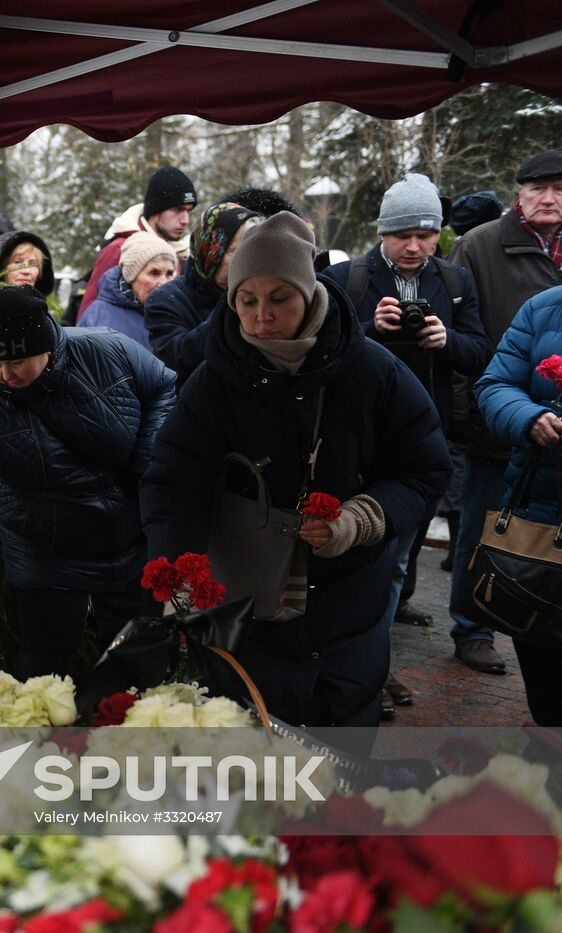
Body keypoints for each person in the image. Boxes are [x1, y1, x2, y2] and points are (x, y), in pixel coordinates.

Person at [141, 212, 450, 728]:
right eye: (247, 300)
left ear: (308, 295)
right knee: (260, 757)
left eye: (279, 298)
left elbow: (423, 467)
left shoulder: (373, 370)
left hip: (349, 600)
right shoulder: (212, 381)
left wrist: (362, 518)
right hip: (248, 600)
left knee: (342, 749)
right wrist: (179, 573)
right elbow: (172, 481)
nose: (262, 314)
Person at [0, 285, 176, 679]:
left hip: (126, 537)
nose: (6, 374)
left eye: (18, 360)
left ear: (46, 346)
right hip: (44, 550)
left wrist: (147, 464)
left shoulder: (106, 350)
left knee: (136, 662)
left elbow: (165, 386)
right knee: (43, 666)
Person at [324, 174, 491, 693]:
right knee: (350, 556)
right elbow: (321, 349)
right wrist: (371, 329)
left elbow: (482, 352)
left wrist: (447, 339)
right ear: (383, 233)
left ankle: (377, 663)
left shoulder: (456, 282)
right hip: (357, 439)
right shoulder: (348, 279)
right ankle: (349, 660)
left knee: (398, 561)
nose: (415, 246)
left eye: (426, 234)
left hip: (424, 441)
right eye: (403, 235)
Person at [446, 150, 562, 673]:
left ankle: (543, 613)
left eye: (560, 188)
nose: (549, 198)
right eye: (537, 188)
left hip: (553, 444)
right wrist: (463, 417)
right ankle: (474, 626)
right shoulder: (480, 245)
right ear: (518, 193)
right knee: (484, 531)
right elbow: (456, 335)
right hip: (496, 418)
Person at [474, 283, 562, 725]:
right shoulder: (544, 309)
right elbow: (496, 384)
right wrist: (529, 417)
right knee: (548, 684)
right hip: (543, 530)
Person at [144, 201, 262, 382]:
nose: (247, 262)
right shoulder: (165, 300)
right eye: (237, 252)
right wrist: (232, 304)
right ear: (211, 251)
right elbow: (179, 361)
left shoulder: (262, 297)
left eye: (252, 253)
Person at [78, 166, 197, 310]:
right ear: (156, 210)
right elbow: (91, 313)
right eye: (178, 210)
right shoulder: (120, 248)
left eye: (188, 211)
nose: (185, 220)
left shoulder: (180, 254)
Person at [76, 232, 177, 349]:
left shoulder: (177, 312)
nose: (164, 283)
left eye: (169, 274)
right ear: (131, 276)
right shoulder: (98, 318)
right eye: (154, 273)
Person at [0, 229, 55, 295]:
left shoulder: (45, 305)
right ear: (1, 268)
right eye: (18, 262)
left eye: (32, 264)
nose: (26, 271)